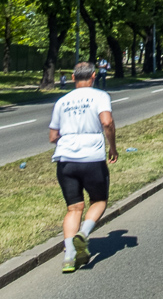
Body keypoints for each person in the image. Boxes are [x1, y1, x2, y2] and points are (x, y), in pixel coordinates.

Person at [48, 61, 118, 273]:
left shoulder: (62, 101)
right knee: (99, 200)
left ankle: (69, 255)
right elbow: (106, 122)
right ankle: (84, 234)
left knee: (74, 208)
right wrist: (112, 147)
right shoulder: (100, 96)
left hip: (65, 160)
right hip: (92, 157)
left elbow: (53, 136)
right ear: (94, 76)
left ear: (72, 77)